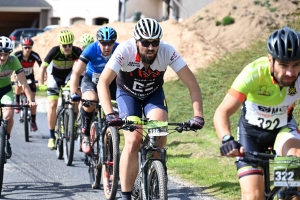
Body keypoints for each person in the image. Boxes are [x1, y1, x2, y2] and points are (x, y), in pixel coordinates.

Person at [97, 18, 205, 200]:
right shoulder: (125, 50)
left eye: (154, 42)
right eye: (146, 42)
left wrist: (198, 115)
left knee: (159, 136)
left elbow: (192, 83)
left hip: (153, 95)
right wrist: (109, 113)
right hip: (127, 95)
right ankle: (126, 195)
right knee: (133, 139)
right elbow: (103, 82)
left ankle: (155, 178)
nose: (150, 47)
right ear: (137, 41)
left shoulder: (167, 51)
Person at [214, 26, 300, 200]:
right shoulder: (254, 73)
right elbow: (222, 111)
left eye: (296, 64)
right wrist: (227, 139)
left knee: (294, 188)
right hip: (250, 135)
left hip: (283, 131)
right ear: (271, 60)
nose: (290, 72)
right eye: (283, 65)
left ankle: (287, 191)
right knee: (253, 196)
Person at [70, 27, 118, 154]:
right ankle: (85, 132)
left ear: (114, 42)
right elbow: (76, 73)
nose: (107, 47)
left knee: (117, 108)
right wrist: (74, 93)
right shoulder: (91, 49)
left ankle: (112, 139)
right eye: (103, 43)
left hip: (111, 82)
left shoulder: (119, 49)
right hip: (91, 80)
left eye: (110, 43)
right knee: (90, 100)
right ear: (98, 42)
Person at [38, 30, 82, 150]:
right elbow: (43, 67)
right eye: (64, 45)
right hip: (54, 77)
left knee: (75, 96)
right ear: (60, 44)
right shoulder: (54, 51)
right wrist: (41, 83)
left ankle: (72, 120)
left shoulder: (77, 51)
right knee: (52, 104)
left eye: (70, 45)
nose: (67, 48)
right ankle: (52, 136)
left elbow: (87, 65)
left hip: (68, 77)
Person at [0, 36, 37, 158]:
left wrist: (31, 100)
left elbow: (24, 83)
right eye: (0, 54)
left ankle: (6, 138)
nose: (3, 57)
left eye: (6, 54)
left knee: (9, 114)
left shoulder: (13, 60)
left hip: (6, 90)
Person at [13, 37, 42, 131]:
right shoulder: (17, 55)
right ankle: (17, 102)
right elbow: (10, 65)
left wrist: (43, 77)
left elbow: (42, 66)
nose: (27, 49)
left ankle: (33, 121)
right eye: (25, 47)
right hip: (19, 76)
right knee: (18, 84)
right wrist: (14, 75)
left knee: (32, 100)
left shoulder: (34, 55)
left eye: (29, 47)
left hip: (30, 77)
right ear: (22, 47)